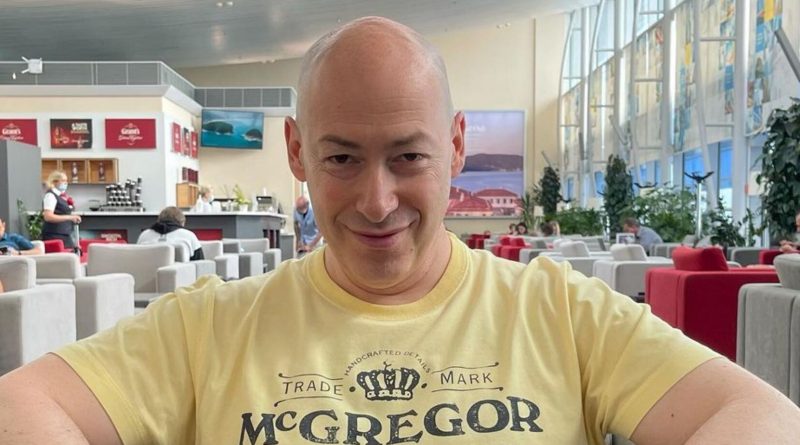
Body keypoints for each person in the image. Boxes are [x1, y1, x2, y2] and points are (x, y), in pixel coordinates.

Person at [1, 17, 798, 445]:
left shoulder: (563, 311)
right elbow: (21, 406)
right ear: (296, 152)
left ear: (455, 145)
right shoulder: (206, 325)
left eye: (408, 157)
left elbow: (765, 418)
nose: (378, 201)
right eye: (342, 158)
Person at [137, 206, 204, 261]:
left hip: (147, 273)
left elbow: (137, 259)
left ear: (159, 220)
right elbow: (201, 264)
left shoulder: (144, 235)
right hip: (181, 272)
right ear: (182, 222)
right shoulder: (188, 236)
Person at [41, 170, 81, 249]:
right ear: (54, 182)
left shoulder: (62, 196)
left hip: (64, 234)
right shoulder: (50, 196)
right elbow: (48, 216)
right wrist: (70, 217)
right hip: (54, 235)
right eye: (63, 181)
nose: (65, 183)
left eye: (66, 181)